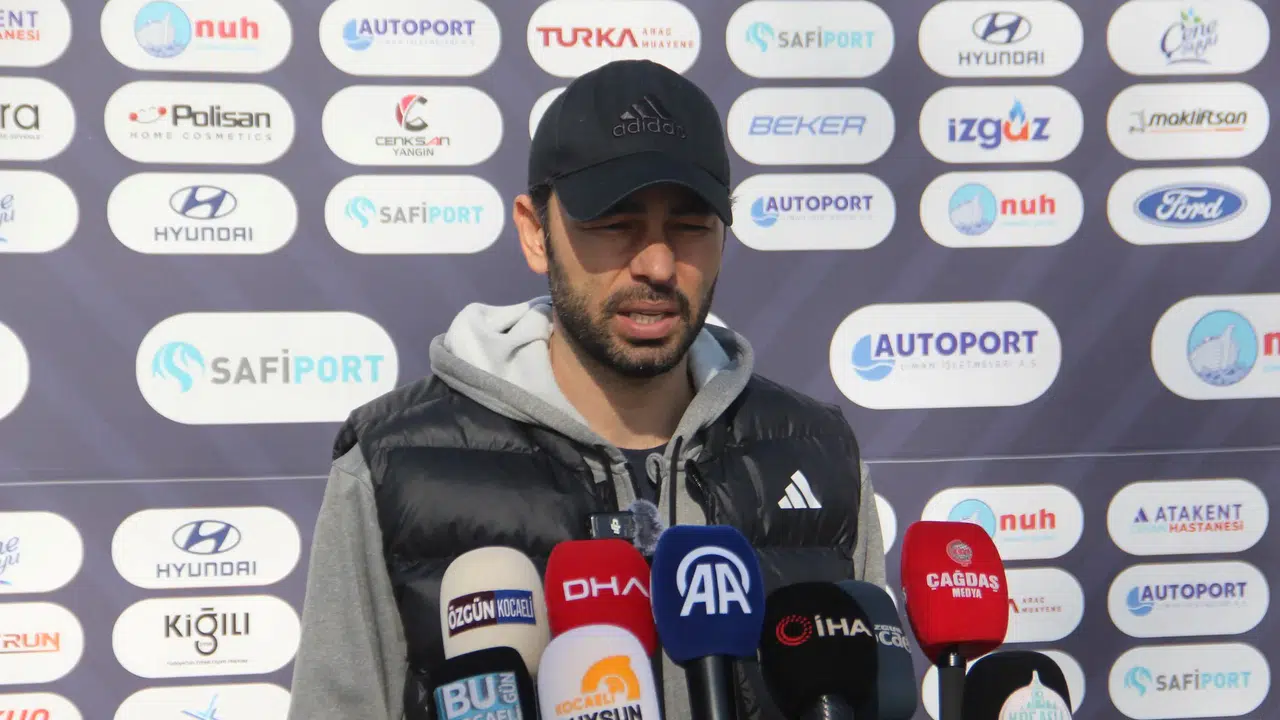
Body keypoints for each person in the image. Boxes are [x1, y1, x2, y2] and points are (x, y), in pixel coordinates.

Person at [286, 59, 885, 720]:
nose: (658, 264)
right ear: (535, 232)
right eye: (614, 223)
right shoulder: (390, 463)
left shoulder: (820, 454)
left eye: (690, 226)